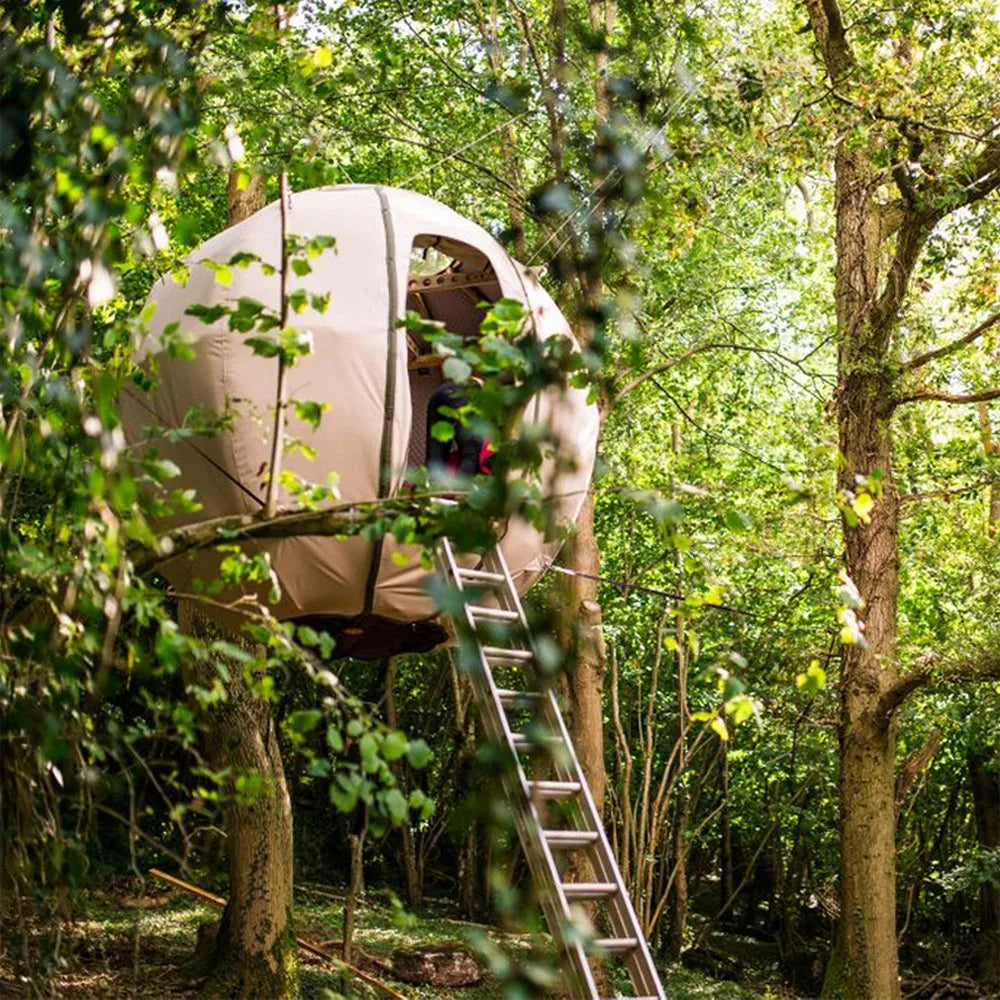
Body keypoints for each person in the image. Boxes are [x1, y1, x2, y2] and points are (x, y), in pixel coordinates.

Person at [426, 380, 492, 478]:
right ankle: (457, 491)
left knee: (436, 457)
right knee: (471, 455)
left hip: (442, 392)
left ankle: (430, 490)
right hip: (465, 394)